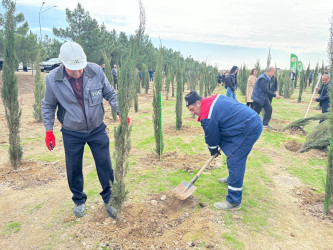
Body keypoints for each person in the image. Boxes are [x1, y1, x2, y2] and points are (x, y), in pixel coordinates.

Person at [42, 41, 124, 219]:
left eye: (80, 68)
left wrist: (120, 110)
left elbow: (110, 93)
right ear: (64, 64)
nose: (78, 72)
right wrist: (49, 129)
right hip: (72, 131)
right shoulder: (53, 79)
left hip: (97, 128)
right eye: (73, 70)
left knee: (105, 165)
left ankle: (109, 199)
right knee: (73, 168)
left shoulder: (95, 71)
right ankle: (79, 200)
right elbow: (48, 105)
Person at [184, 90, 262, 210]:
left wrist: (213, 150)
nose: (193, 113)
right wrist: (216, 148)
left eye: (192, 109)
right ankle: (232, 179)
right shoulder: (212, 99)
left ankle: (234, 201)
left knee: (235, 159)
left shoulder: (207, 114)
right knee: (232, 153)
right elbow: (222, 123)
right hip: (244, 122)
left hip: (248, 126)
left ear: (198, 103)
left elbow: (212, 136)